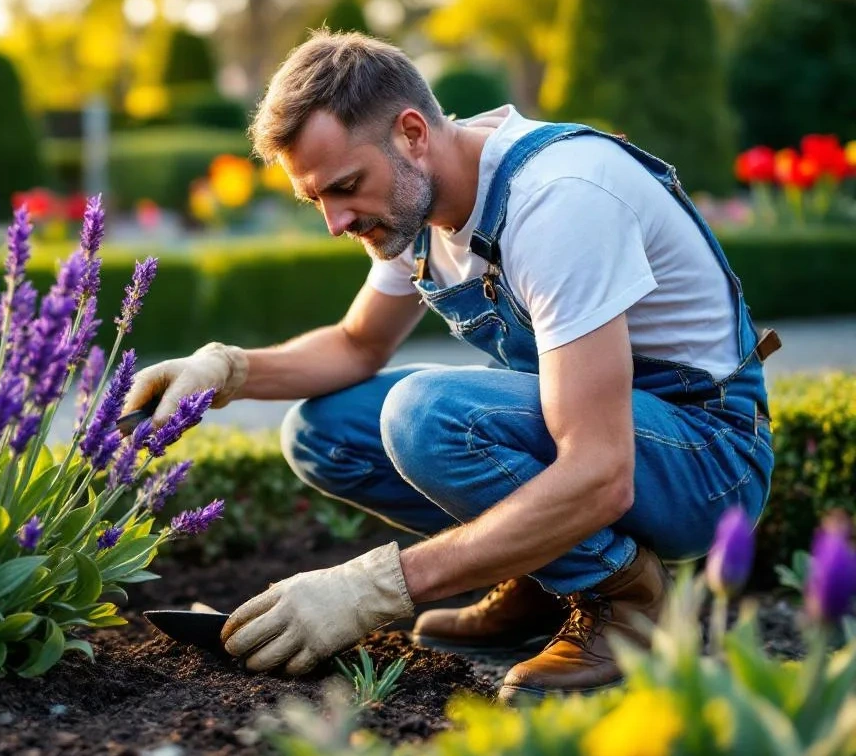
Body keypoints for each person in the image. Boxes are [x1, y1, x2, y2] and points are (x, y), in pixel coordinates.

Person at [120, 29, 781, 704]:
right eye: (317, 199)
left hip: (707, 459)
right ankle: (553, 571)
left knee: (426, 417)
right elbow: (356, 346)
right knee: (324, 431)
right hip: (617, 431)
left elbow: (601, 471)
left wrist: (371, 589)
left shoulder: (557, 201)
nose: (335, 222)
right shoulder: (416, 202)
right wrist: (223, 371)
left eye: (346, 187)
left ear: (411, 133)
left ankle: (628, 599)